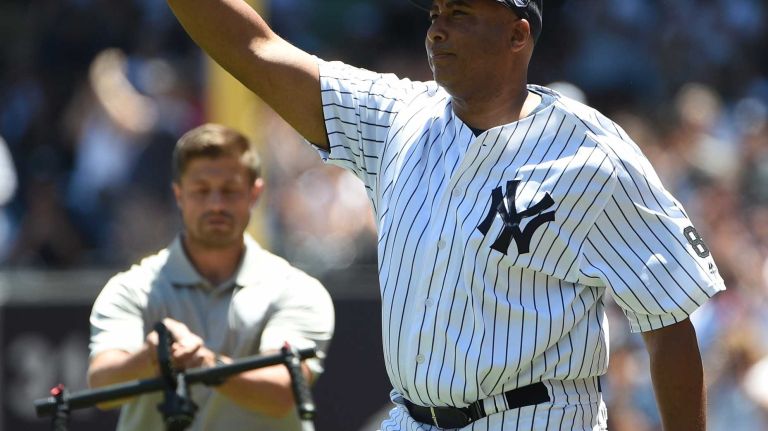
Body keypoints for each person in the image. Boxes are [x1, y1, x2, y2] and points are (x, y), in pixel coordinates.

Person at [165, 0, 725, 429]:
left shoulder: (590, 154)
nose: (436, 29)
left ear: (517, 34)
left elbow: (668, 325)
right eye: (434, 12)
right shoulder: (397, 118)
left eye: (459, 12)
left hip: (533, 416)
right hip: (411, 416)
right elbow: (254, 47)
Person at [87, 123, 335, 430]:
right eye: (201, 190)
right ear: (179, 194)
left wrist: (203, 363)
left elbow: (282, 391)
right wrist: (152, 356)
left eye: (230, 190)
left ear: (255, 193)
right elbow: (101, 387)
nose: (216, 204)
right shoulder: (131, 289)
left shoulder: (297, 290)